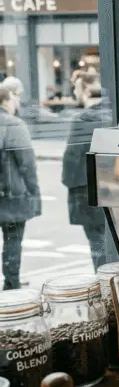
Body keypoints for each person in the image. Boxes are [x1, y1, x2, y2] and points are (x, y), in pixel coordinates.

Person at [61, 72, 114, 270]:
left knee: (97, 241)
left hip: (88, 189)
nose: (75, 94)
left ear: (85, 90)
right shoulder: (112, 114)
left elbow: (71, 158)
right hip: (112, 186)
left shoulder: (82, 120)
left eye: (76, 89)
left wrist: (67, 182)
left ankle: (104, 283)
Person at [0, 86, 40, 289]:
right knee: (13, 239)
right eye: (15, 97)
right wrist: (34, 191)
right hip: (11, 195)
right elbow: (27, 163)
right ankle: (11, 282)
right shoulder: (13, 125)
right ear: (6, 101)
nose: (17, 101)